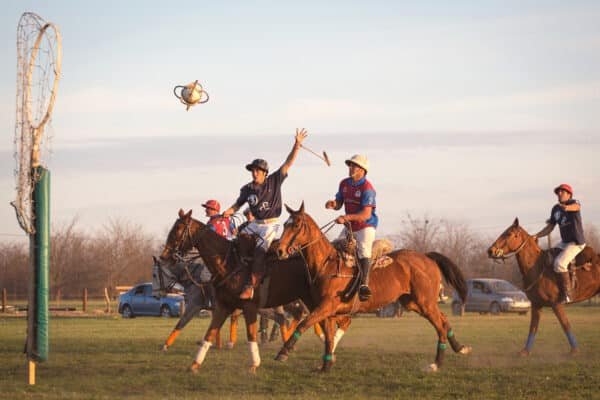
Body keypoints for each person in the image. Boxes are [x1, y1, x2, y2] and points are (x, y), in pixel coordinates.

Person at [223, 128, 308, 299]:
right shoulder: (247, 189)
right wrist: (228, 212)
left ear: (264, 173)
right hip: (255, 223)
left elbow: (288, 163)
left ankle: (251, 285)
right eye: (252, 170)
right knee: (235, 242)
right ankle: (236, 274)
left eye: (257, 170)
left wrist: (297, 146)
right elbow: (238, 205)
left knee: (260, 251)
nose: (254, 173)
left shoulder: (275, 180)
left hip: (270, 224)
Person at [325, 154, 378, 301]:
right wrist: (333, 204)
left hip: (365, 226)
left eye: (354, 165)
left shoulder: (368, 188)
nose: (351, 168)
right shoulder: (344, 183)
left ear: (362, 170)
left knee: (363, 251)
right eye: (350, 165)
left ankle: (363, 285)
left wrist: (346, 218)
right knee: (336, 247)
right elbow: (339, 202)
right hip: (350, 225)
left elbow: (366, 214)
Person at [533, 184, 586, 304]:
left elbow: (577, 207)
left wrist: (566, 208)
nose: (559, 193)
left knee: (559, 264)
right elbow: (550, 227)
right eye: (558, 192)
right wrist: (537, 236)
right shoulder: (556, 209)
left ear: (569, 194)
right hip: (564, 242)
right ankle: (554, 288)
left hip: (576, 242)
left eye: (562, 191)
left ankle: (568, 294)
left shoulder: (573, 202)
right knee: (548, 258)